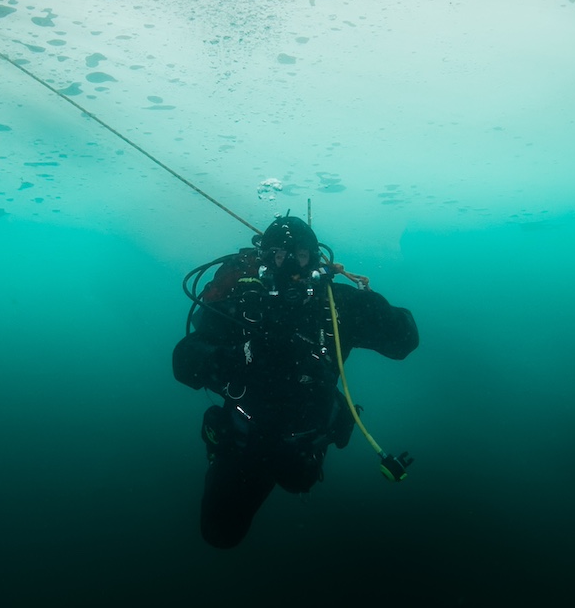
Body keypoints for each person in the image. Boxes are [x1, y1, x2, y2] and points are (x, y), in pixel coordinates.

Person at [173, 215, 419, 548]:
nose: (288, 266)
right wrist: (235, 355)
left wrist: (370, 305)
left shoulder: (336, 306)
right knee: (219, 533)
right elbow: (185, 362)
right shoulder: (243, 304)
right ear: (262, 260)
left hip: (303, 444)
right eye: (276, 255)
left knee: (298, 481)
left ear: (316, 260)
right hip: (245, 442)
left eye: (300, 256)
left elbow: (404, 341)